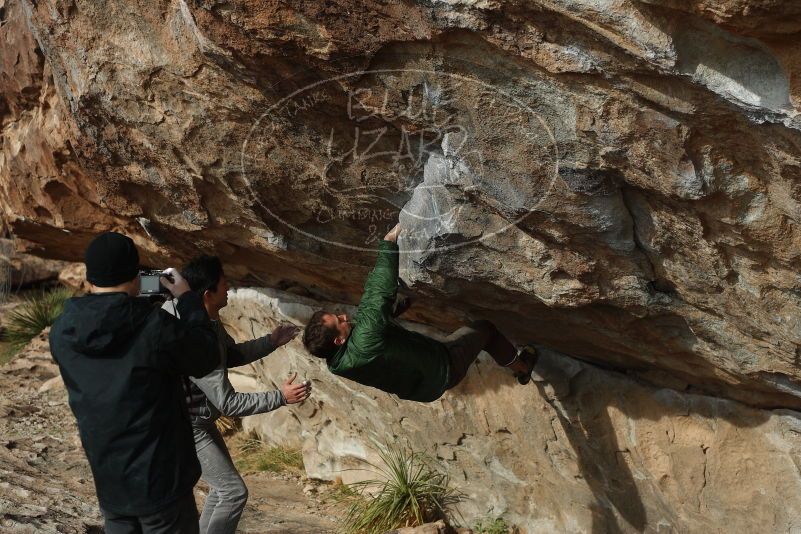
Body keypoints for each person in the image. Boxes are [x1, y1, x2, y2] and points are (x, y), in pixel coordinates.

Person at [49, 232, 221, 534]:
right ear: (136, 275)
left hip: (110, 481)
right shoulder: (153, 325)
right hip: (162, 483)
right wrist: (187, 298)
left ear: (90, 277)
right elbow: (205, 356)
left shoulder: (63, 331)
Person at [302, 223, 537, 403]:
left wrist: (393, 313)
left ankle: (517, 366)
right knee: (484, 329)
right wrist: (388, 243)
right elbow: (377, 294)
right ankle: (523, 369)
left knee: (461, 337)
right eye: (338, 320)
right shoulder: (363, 340)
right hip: (443, 368)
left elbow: (374, 332)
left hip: (423, 382)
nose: (343, 316)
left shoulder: (338, 361)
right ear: (339, 340)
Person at [170, 255, 311, 534]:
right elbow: (229, 404)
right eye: (224, 284)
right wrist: (281, 397)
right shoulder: (198, 338)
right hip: (186, 425)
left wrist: (270, 342)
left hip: (196, 420)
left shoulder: (206, 320)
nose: (229, 288)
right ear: (208, 294)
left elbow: (229, 354)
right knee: (232, 493)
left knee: (223, 490)